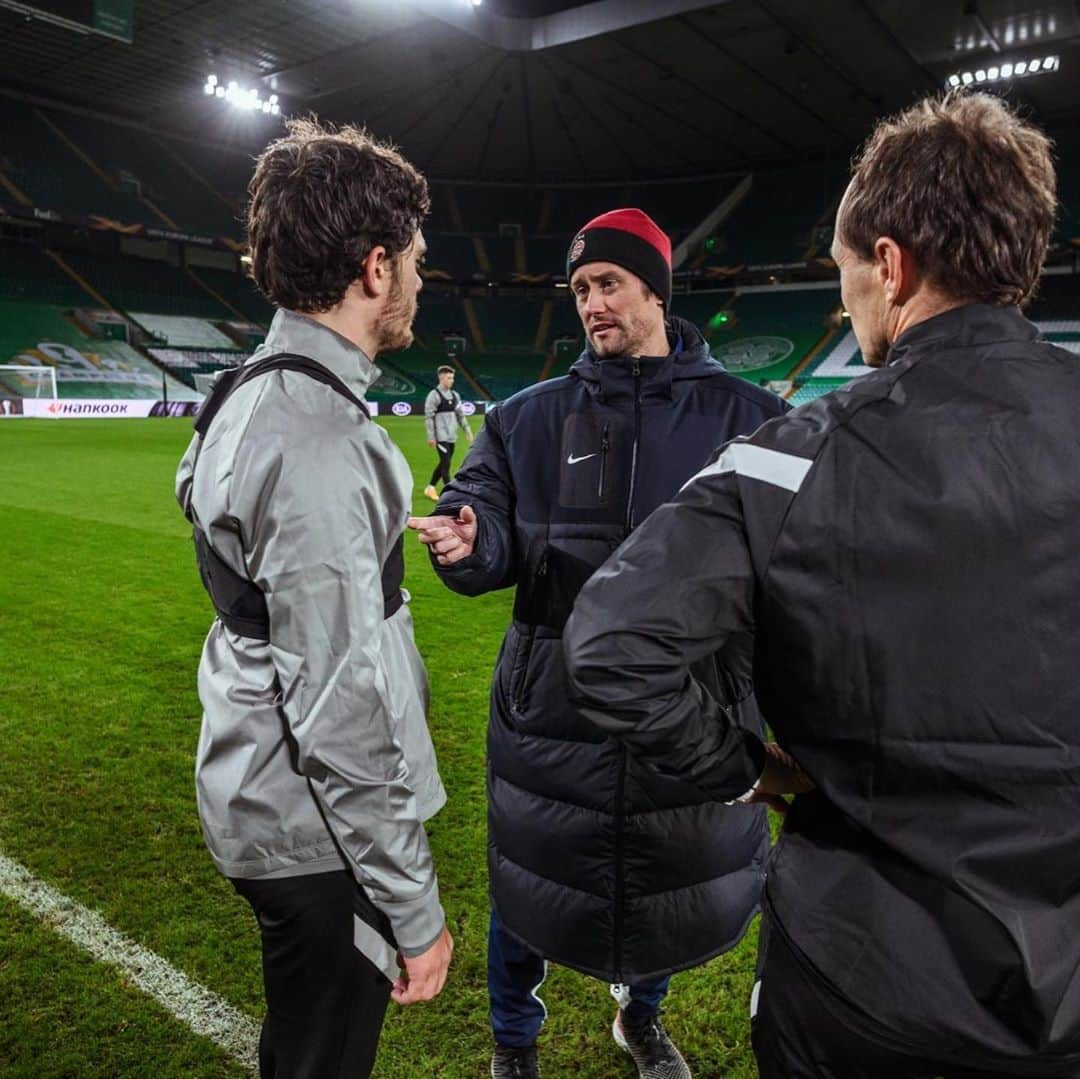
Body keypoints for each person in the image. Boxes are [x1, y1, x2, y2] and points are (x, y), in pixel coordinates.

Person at [563, 93, 1080, 1078]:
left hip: (861, 988)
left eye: (845, 276)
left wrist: (743, 767)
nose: (847, 302)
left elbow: (611, 645)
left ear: (890, 265)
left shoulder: (793, 456)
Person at [409, 208, 788, 1079]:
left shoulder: (753, 417)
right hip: (553, 721)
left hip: (686, 718)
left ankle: (641, 1020)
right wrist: (475, 543)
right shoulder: (524, 419)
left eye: (607, 283)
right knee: (531, 886)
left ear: (654, 288)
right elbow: (486, 516)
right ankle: (513, 1040)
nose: (591, 303)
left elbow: (792, 573)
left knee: (659, 883)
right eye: (579, 289)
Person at [175, 119, 453, 1079]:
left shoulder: (236, 391)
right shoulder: (324, 440)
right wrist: (415, 909)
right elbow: (337, 709)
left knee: (300, 1043)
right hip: (312, 834)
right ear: (375, 268)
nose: (420, 277)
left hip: (253, 786)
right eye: (414, 257)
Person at [423, 364, 473, 500]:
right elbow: (429, 417)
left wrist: (467, 431)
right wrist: (431, 436)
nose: (452, 381)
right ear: (441, 378)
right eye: (449, 378)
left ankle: (430, 487)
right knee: (446, 464)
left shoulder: (455, 395)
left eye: (452, 378)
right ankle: (449, 493)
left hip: (452, 436)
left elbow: (460, 415)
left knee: (444, 463)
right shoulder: (434, 395)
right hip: (440, 437)